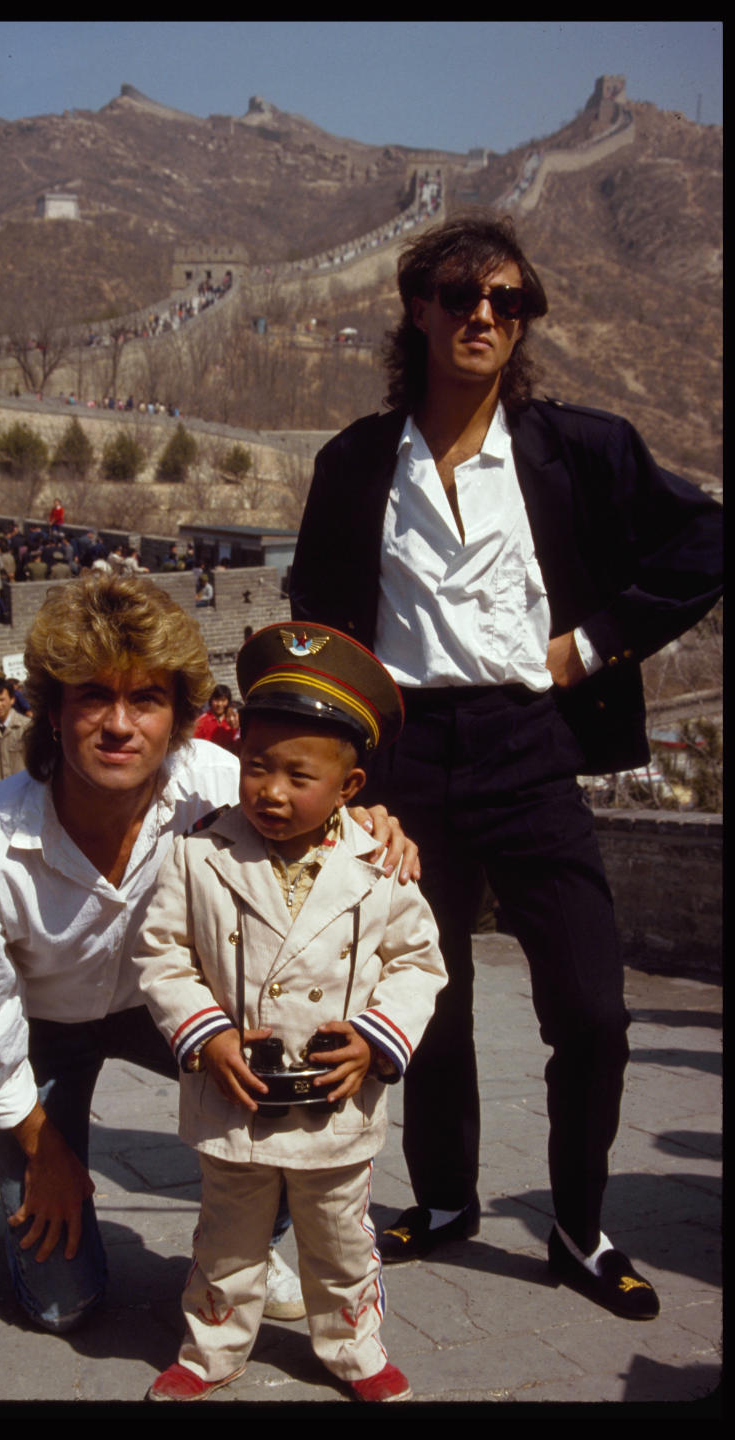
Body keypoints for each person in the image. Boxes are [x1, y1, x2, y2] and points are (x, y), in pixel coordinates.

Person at [289, 213, 723, 1321]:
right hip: (404, 755)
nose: (485, 315)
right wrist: (349, 779)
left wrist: (594, 641)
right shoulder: (353, 464)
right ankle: (442, 1204)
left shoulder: (579, 448)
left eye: (509, 301)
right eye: (461, 295)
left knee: (592, 1010)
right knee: (426, 1003)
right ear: (418, 310)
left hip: (532, 746)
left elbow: (706, 541)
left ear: (523, 319)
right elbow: (320, 623)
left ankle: (580, 1227)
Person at [0, 573, 418, 1337]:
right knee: (62, 1304)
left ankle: (264, 1238)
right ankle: (32, 1192)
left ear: (181, 719)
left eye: (147, 700)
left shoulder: (218, 787)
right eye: (94, 695)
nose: (120, 725)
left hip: (175, 1010)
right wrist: (43, 1147)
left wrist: (372, 824)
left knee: (288, 1065)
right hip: (42, 1029)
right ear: (54, 711)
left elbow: (317, 812)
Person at [135, 623, 446, 1403]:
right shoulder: (199, 854)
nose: (270, 791)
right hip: (232, 1099)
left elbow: (418, 963)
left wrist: (377, 1042)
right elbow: (163, 954)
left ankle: (353, 1347)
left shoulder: (381, 865)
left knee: (341, 1239)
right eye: (256, 768)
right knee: (227, 1239)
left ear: (350, 789)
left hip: (333, 1106)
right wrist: (205, 1036)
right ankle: (212, 1349)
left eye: (297, 776)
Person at [192, 684, 240, 754]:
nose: (219, 704)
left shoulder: (233, 720)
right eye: (216, 700)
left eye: (223, 700)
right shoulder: (201, 722)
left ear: (228, 701)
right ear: (211, 701)